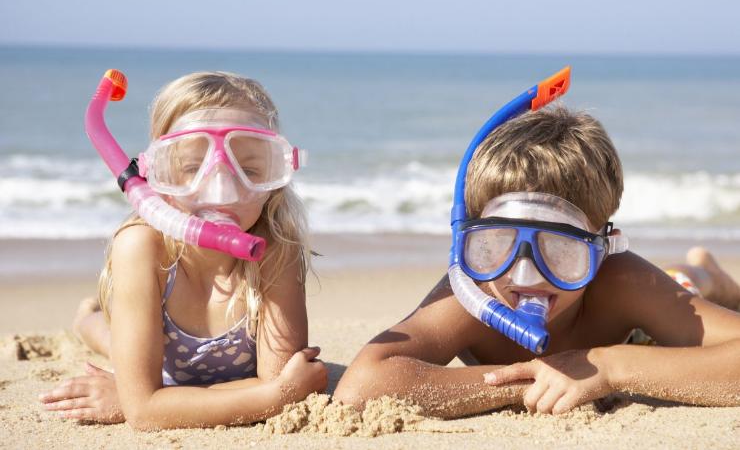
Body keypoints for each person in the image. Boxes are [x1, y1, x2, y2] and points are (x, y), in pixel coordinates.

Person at [334, 105, 740, 418]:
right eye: (497, 243)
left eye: (561, 249)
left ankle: (711, 277)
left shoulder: (619, 279)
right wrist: (538, 380)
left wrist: (610, 366)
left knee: (684, 283)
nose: (524, 273)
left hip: (642, 337)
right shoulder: (473, 291)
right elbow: (361, 387)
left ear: (604, 248)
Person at [39, 72, 328, 429]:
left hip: (165, 372)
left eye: (250, 169)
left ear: (277, 172)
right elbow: (146, 412)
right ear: (156, 173)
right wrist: (272, 397)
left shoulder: (274, 252)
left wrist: (152, 400)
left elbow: (278, 378)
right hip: (155, 351)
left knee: (125, 347)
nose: (221, 191)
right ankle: (87, 319)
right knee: (111, 337)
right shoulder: (143, 249)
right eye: (193, 168)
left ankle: (95, 322)